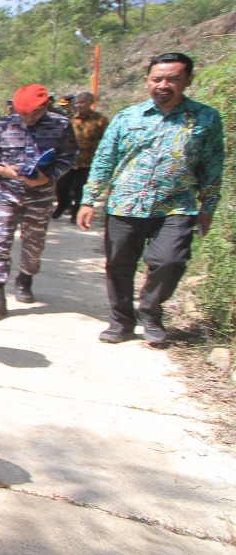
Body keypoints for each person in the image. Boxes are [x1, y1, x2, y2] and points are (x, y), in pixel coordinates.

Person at [77, 53, 224, 345]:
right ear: (146, 81)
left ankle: (151, 313)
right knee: (119, 265)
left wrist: (208, 207)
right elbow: (105, 159)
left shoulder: (205, 118)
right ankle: (121, 321)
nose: (163, 85)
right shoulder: (127, 117)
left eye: (173, 79)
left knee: (171, 261)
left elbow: (212, 164)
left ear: (188, 81)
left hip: (176, 205)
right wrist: (88, 199)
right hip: (126, 204)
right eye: (157, 79)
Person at [0, 84, 79, 319]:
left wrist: (48, 177)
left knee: (33, 245)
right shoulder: (3, 125)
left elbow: (70, 157)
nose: (28, 119)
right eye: (23, 114)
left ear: (45, 107)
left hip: (40, 195)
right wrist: (2, 169)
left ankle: (25, 277)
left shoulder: (61, 125)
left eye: (33, 114)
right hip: (6, 193)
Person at [53, 91, 109, 222]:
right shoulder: (70, 119)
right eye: (77, 103)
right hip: (69, 160)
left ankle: (76, 213)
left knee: (81, 189)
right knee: (62, 186)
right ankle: (63, 204)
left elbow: (106, 140)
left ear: (90, 103)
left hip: (87, 162)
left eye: (82, 102)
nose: (78, 105)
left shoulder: (100, 120)